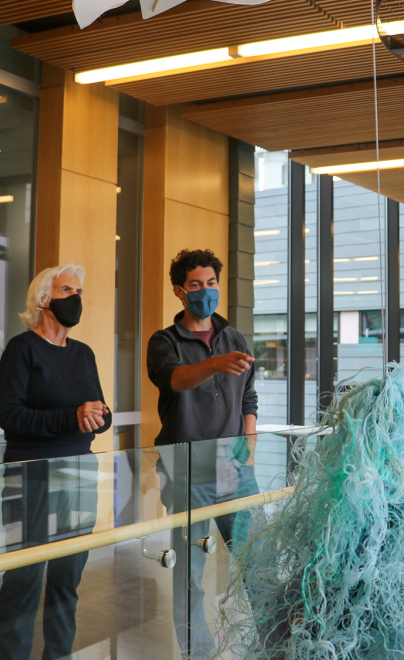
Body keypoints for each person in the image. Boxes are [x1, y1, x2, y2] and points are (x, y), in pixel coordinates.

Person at [0, 263, 111, 660]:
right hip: (29, 478)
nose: (76, 298)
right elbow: (10, 417)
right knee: (24, 579)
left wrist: (98, 415)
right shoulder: (21, 349)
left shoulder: (84, 353)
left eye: (79, 290)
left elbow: (100, 409)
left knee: (67, 580)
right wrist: (73, 417)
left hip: (79, 474)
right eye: (67, 290)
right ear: (44, 299)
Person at [147, 248, 259, 659]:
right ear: (179, 291)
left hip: (232, 467)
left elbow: (249, 395)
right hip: (186, 469)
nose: (206, 292)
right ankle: (200, 654)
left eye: (211, 283)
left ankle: (280, 642)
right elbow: (174, 380)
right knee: (190, 575)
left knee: (259, 560)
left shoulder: (234, 338)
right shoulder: (163, 341)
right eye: (196, 285)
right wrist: (214, 365)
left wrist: (248, 443)